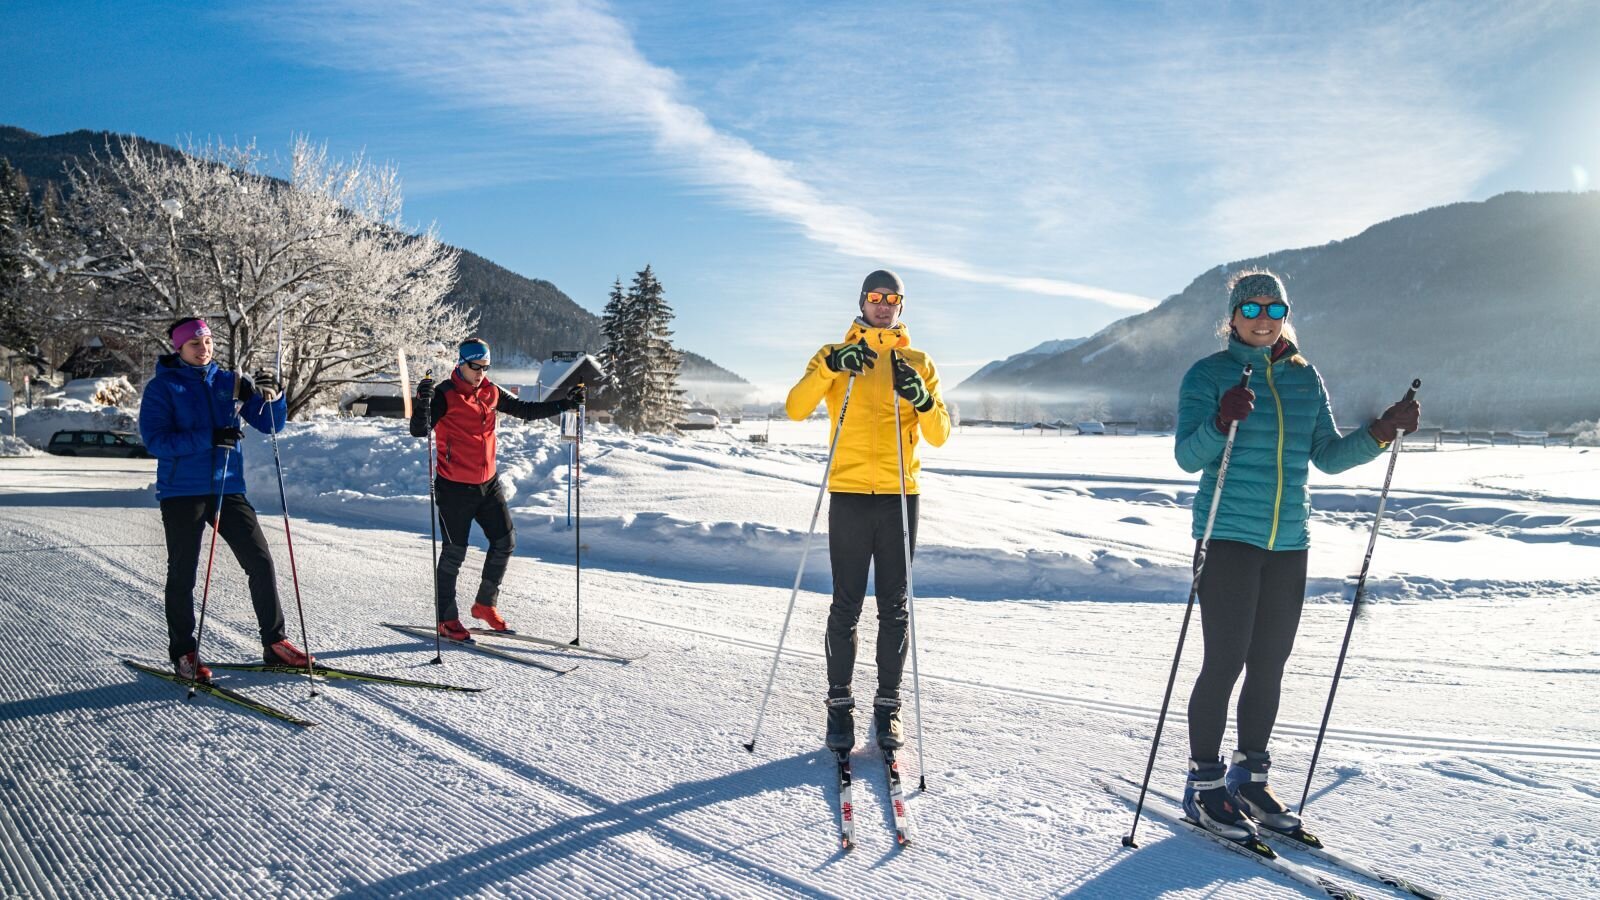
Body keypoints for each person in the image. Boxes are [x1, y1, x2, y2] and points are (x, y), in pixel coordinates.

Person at [1174, 270, 1420, 840]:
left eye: (1273, 309)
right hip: (1228, 535)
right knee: (1224, 662)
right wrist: (1220, 419)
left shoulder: (1305, 378)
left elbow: (1328, 457)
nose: (1263, 319)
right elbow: (1189, 457)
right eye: (1251, 309)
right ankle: (1204, 786)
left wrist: (1382, 430)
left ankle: (1250, 778)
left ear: (1285, 315)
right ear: (1232, 317)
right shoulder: (1208, 375)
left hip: (1289, 542)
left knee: (1269, 665)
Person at [784, 269, 952, 754]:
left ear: (901, 306)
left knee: (894, 608)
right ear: (862, 301)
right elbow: (795, 408)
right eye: (875, 297)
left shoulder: (918, 361)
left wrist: (920, 396)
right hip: (850, 494)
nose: (883, 304)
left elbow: (940, 432)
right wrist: (833, 365)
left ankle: (888, 708)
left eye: (892, 298)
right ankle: (839, 708)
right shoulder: (834, 355)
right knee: (846, 604)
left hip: (901, 495)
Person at [139, 316, 310, 682]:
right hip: (181, 491)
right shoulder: (163, 388)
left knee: (260, 561)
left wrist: (273, 396)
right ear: (179, 348)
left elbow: (269, 424)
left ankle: (275, 642)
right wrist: (210, 436)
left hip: (228, 487)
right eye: (195, 344)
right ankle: (184, 652)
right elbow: (156, 441)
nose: (204, 349)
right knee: (183, 574)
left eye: (208, 341)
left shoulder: (230, 382)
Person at [409, 338, 584, 640]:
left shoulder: (490, 391)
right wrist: (422, 401)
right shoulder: (444, 394)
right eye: (475, 367)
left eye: (485, 368)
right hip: (454, 488)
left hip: (488, 483)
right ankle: (447, 619)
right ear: (461, 363)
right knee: (454, 553)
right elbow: (419, 430)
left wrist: (564, 403)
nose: (480, 373)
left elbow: (525, 410)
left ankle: (484, 605)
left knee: (505, 541)